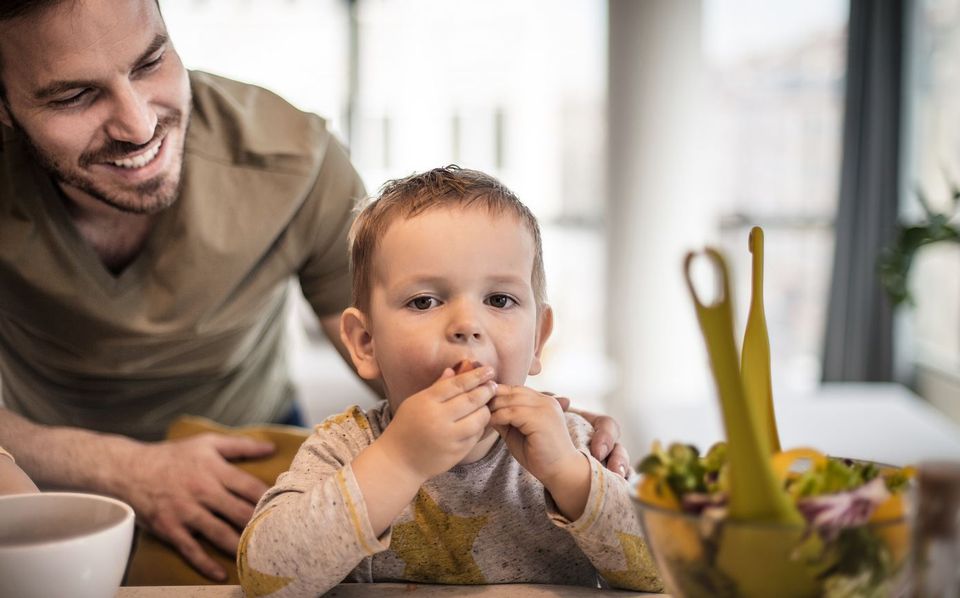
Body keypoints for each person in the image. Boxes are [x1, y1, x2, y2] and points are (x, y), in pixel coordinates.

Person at [0, 0, 629, 583]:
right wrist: (123, 469)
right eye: (76, 96)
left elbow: (402, 354)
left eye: (151, 61)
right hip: (32, 468)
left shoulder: (293, 158)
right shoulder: (339, 456)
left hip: (247, 462)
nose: (138, 125)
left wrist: (563, 458)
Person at [237, 167, 663, 596]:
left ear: (537, 339)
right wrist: (400, 460)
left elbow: (663, 570)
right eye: (424, 301)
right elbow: (264, 578)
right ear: (366, 342)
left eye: (499, 299)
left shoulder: (569, 442)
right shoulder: (344, 447)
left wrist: (570, 476)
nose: (466, 325)